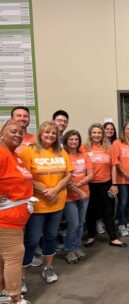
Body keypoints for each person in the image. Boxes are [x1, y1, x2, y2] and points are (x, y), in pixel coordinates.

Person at [20, 121, 72, 290]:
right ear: (40, 134)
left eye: (53, 133)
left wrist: (55, 189)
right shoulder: (29, 151)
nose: (50, 136)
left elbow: (68, 174)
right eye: (47, 132)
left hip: (57, 203)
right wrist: (44, 191)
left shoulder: (61, 151)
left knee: (50, 237)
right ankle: (21, 277)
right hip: (37, 206)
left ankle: (48, 268)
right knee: (32, 240)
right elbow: (25, 176)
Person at [0, 119, 33, 304]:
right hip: (5, 221)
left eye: (21, 132)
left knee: (4, 261)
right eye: (13, 131)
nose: (18, 134)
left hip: (16, 221)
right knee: (13, 259)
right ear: (2, 133)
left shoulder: (15, 155)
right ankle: (15, 299)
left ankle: (3, 295)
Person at [82, 123, 126, 248]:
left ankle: (113, 238)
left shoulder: (109, 148)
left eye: (99, 133)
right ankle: (91, 236)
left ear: (103, 134)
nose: (97, 135)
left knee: (108, 212)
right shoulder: (84, 148)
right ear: (90, 134)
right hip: (89, 184)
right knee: (90, 211)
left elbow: (113, 167)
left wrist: (114, 184)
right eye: (94, 132)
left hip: (105, 184)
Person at [63, 130, 93, 264]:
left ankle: (76, 247)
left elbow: (90, 173)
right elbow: (64, 178)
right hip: (70, 197)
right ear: (66, 141)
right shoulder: (62, 155)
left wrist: (81, 183)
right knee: (73, 224)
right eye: (71, 139)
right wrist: (77, 189)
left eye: (76, 139)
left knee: (81, 223)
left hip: (85, 193)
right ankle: (69, 250)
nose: (74, 142)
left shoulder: (84, 155)